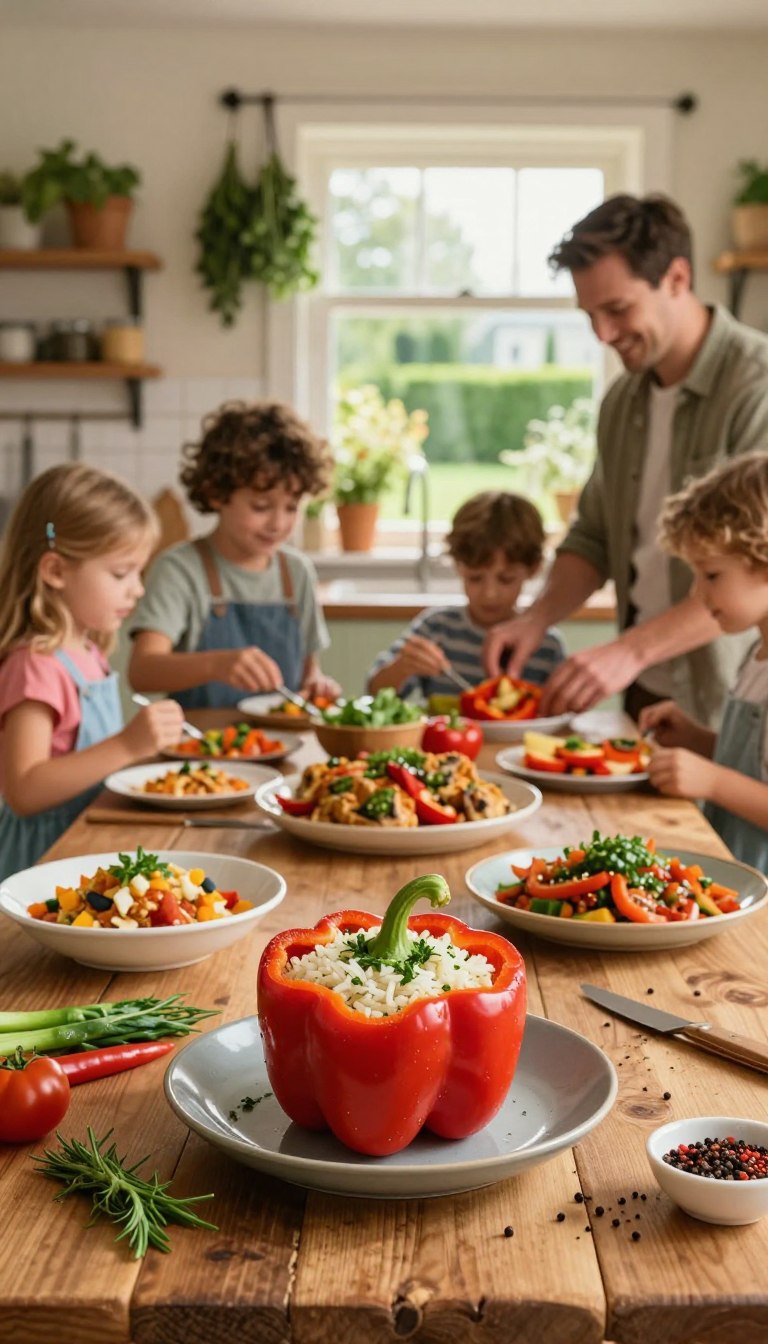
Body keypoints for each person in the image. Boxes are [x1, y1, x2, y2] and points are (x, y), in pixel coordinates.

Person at [483, 192, 768, 727]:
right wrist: (535, 620)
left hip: (734, 703)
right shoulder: (623, 401)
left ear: (677, 279)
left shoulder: (757, 387)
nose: (603, 335)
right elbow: (594, 537)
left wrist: (629, 651)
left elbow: (758, 568)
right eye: (590, 315)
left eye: (617, 310)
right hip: (644, 697)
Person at [0, 464, 185, 879]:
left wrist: (148, 747)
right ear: (56, 571)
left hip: (84, 841)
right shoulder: (35, 666)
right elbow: (24, 791)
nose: (137, 588)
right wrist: (127, 745)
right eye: (121, 573)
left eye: (139, 572)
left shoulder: (89, 651)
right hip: (40, 860)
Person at [128, 400, 340, 710]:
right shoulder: (181, 569)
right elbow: (142, 671)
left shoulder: (296, 573)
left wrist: (318, 685)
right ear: (216, 493)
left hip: (285, 750)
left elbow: (309, 673)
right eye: (261, 506)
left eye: (291, 507)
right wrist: (216, 665)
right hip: (202, 750)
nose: (278, 523)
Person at [639, 455, 768, 870]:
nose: (698, 593)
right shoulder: (756, 655)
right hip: (737, 882)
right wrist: (699, 741)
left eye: (711, 575)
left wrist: (713, 782)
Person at [367, 491, 565, 699]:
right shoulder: (437, 628)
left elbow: (561, 711)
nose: (489, 594)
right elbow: (374, 692)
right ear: (458, 567)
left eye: (506, 579)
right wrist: (402, 667)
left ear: (533, 569)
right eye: (475, 578)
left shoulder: (546, 644)